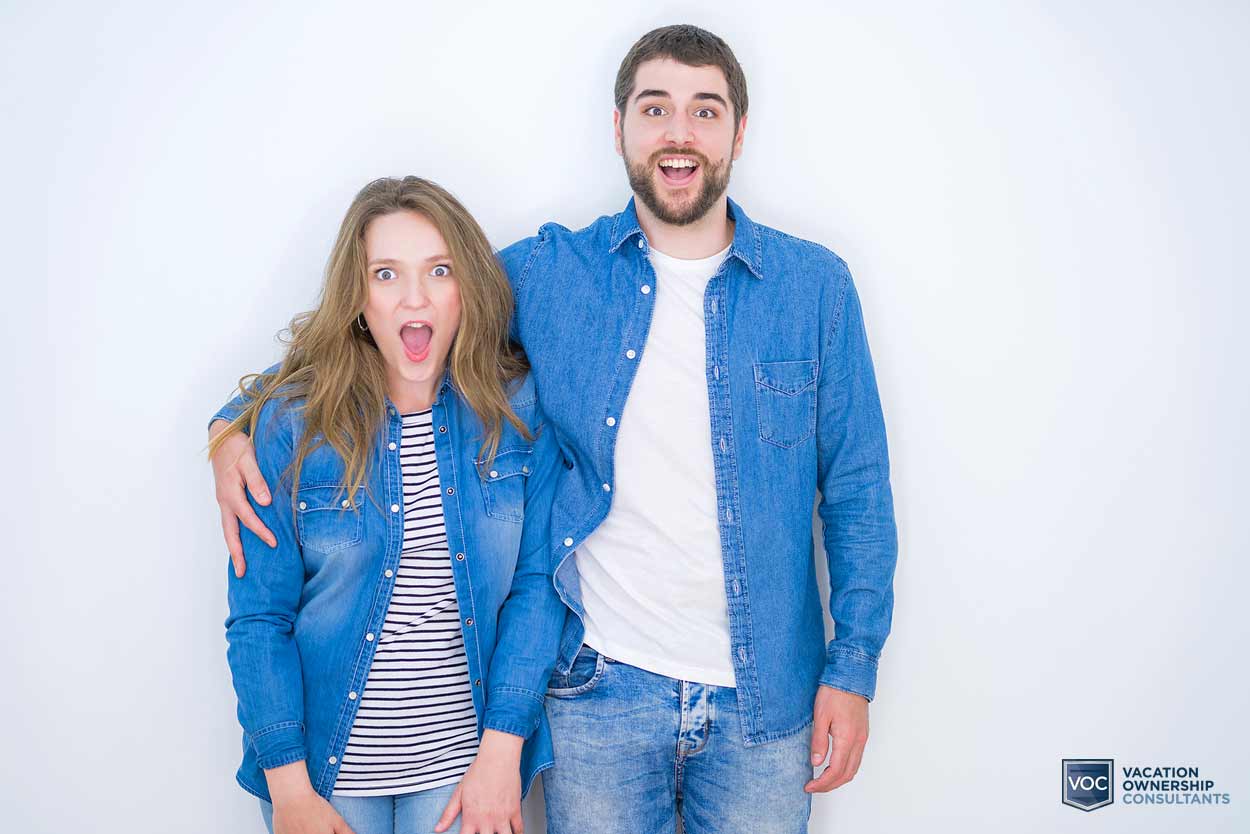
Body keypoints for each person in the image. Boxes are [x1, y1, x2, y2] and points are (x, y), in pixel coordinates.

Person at [211, 25, 898, 834]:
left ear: (738, 133)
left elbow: (856, 490)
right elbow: (402, 306)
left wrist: (852, 669)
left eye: (705, 111)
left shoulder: (814, 288)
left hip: (765, 702)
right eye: (655, 109)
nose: (679, 133)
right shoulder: (552, 271)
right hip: (598, 694)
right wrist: (234, 426)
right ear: (620, 129)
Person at [212, 176, 565, 834]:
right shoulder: (293, 426)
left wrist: (502, 751)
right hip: (321, 778)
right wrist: (289, 791)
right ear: (357, 298)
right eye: (385, 274)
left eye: (440, 270)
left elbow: (537, 585)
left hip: (467, 772)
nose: (415, 297)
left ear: (467, 289)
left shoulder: (517, 411)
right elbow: (258, 619)